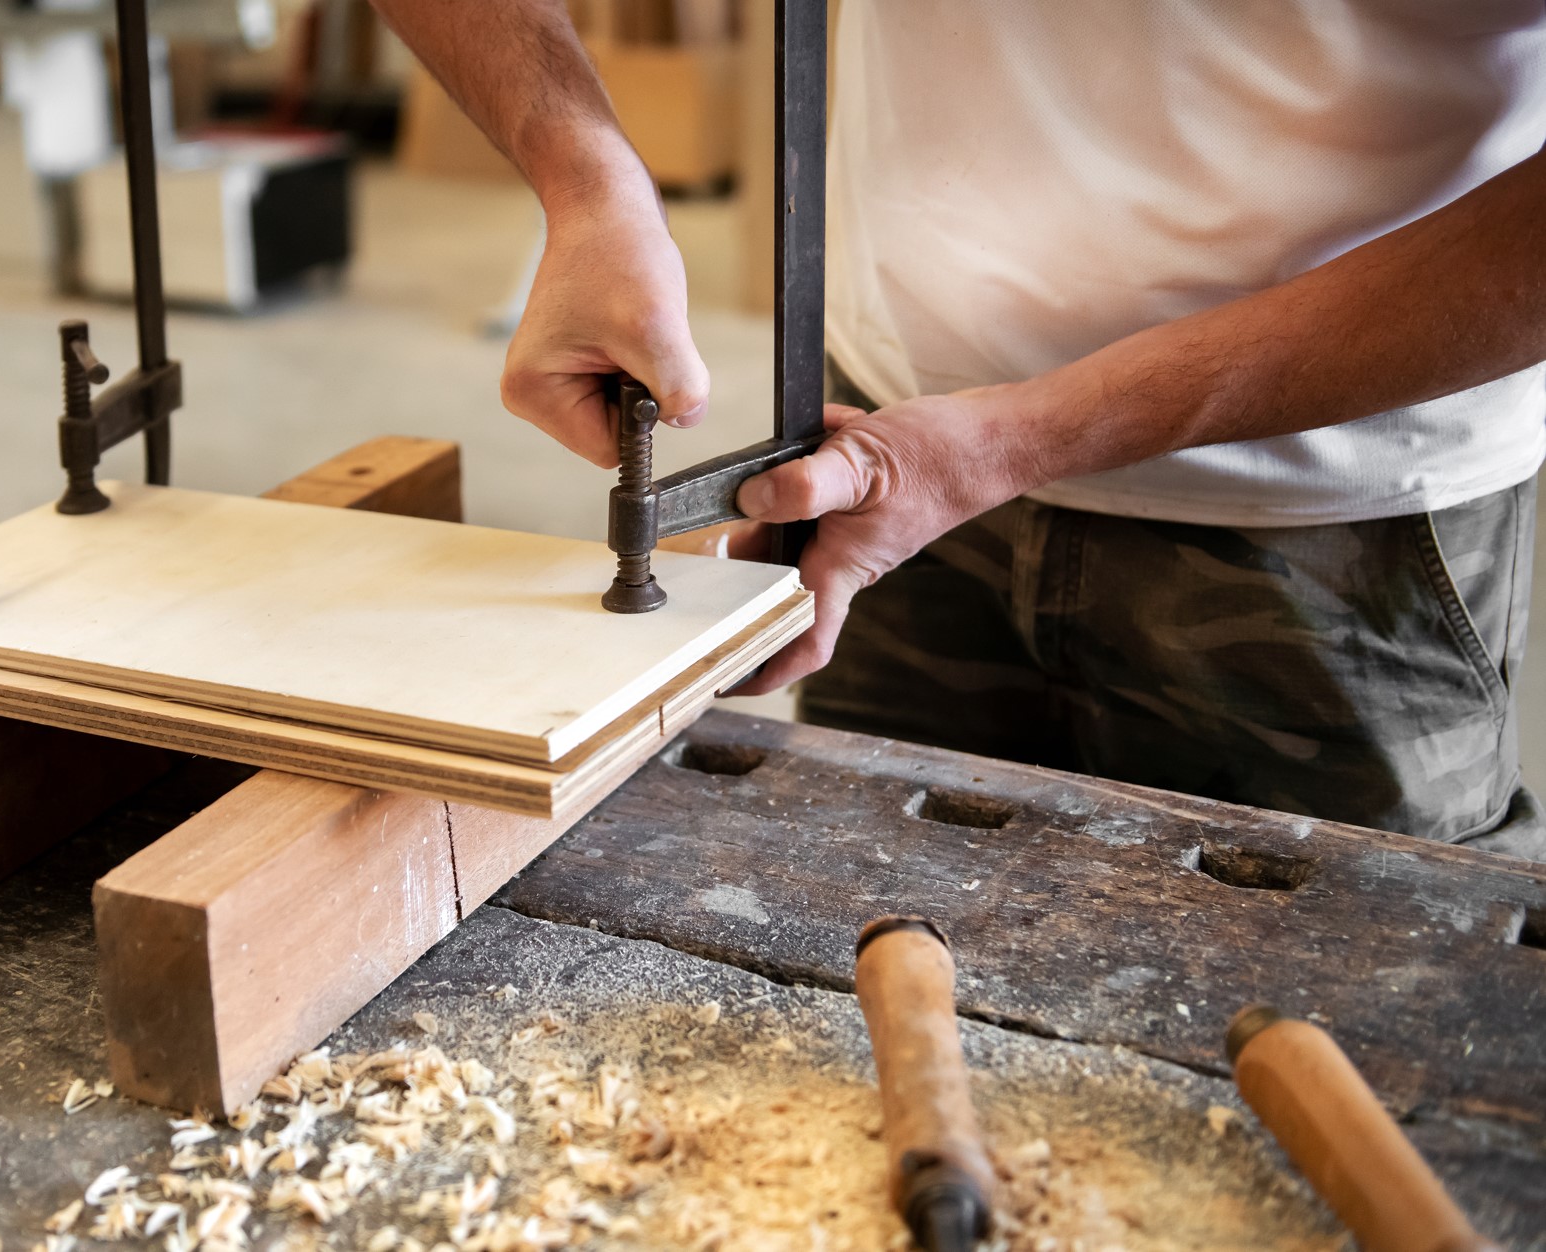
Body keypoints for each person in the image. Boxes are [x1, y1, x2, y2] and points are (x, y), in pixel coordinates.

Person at [371, 1, 1546, 858]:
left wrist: (1013, 438)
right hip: (890, 455)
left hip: (1331, 514)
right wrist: (583, 174)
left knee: (1350, 1021)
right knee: (877, 927)